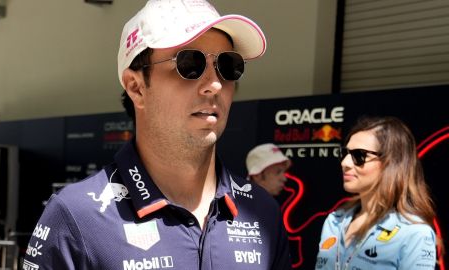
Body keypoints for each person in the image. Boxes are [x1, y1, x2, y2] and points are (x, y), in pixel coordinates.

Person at [23, 0, 292, 269]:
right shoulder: (77, 217)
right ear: (136, 87)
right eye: (190, 64)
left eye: (228, 65)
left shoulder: (262, 213)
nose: (214, 84)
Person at [315, 116, 443, 269]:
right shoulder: (334, 221)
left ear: (391, 163)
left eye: (359, 155)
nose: (345, 163)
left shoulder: (414, 233)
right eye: (345, 154)